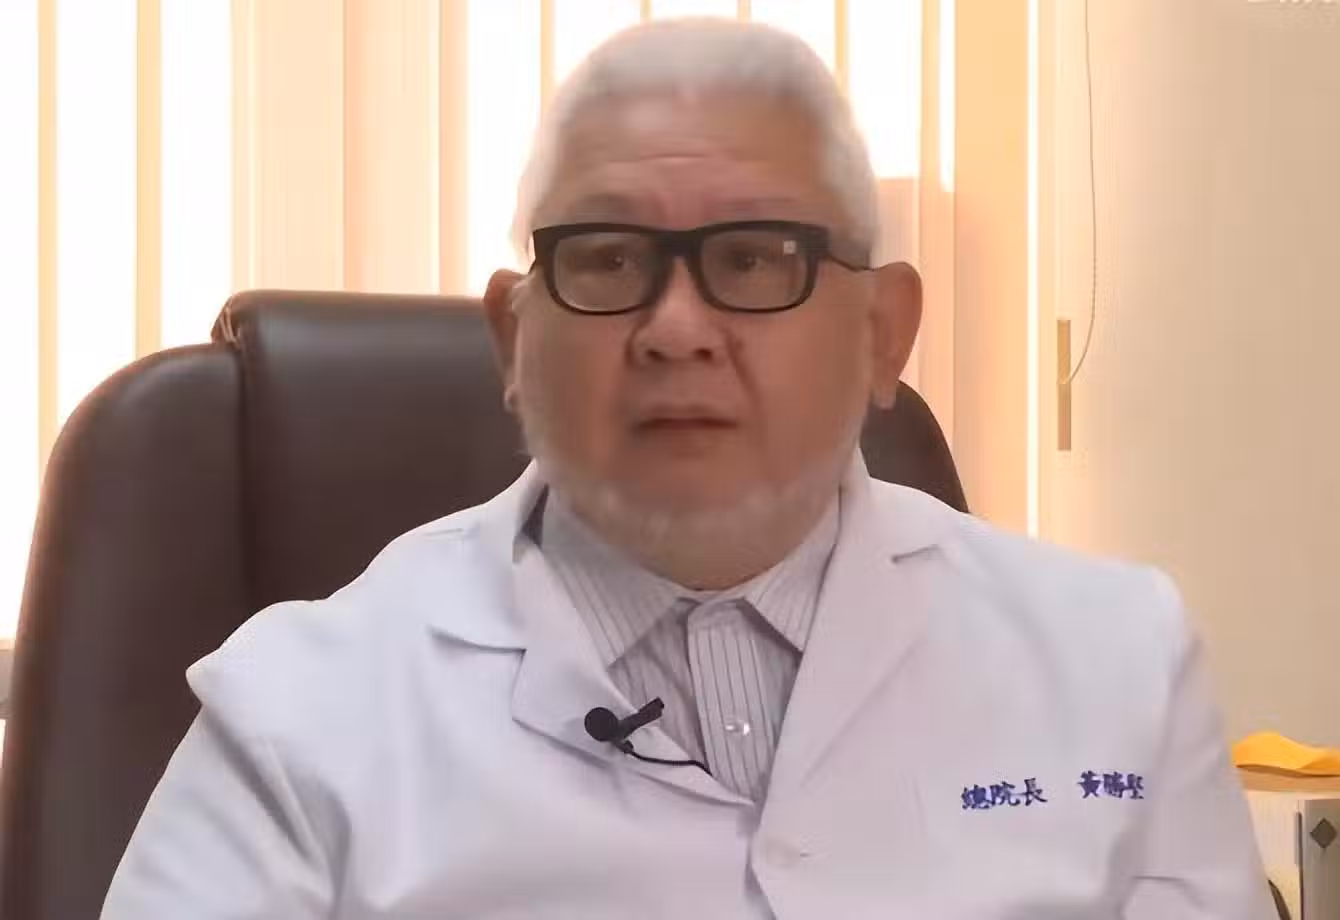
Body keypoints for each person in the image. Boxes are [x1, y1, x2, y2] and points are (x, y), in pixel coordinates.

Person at [101, 18, 1273, 919]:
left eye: (754, 257)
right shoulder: (297, 716)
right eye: (607, 257)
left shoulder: (1118, 663)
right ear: (513, 340)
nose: (674, 328)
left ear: (882, 334)